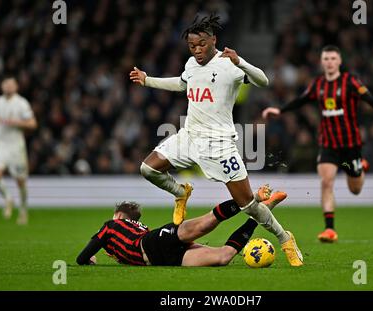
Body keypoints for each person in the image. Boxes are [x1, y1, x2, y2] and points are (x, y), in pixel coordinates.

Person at [129, 14, 303, 266]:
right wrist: (148, 80)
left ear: (214, 40)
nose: (196, 50)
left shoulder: (228, 65)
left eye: (201, 44)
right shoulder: (191, 64)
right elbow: (181, 84)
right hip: (189, 136)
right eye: (192, 46)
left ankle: (284, 237)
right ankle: (180, 192)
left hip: (220, 144)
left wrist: (240, 61)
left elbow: (263, 81)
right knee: (147, 168)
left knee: (249, 206)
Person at [262, 45, 373, 243]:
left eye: (333, 58)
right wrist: (280, 111)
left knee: (355, 189)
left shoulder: (350, 81)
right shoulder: (318, 84)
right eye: (326, 58)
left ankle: (360, 168)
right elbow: (301, 100)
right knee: (326, 182)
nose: (329, 62)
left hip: (351, 144)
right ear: (322, 62)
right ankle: (329, 229)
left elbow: (369, 98)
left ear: (339, 61)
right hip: (328, 143)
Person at [77, 187, 287, 267]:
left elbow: (82, 256)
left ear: (118, 216)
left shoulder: (111, 226)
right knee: (223, 258)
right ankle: (259, 213)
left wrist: (88, 259)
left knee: (205, 224)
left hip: (154, 243)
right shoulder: (135, 229)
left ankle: (253, 198)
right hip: (162, 257)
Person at [0, 77, 38, 225]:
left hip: (16, 146)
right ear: (2, 86)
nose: (8, 86)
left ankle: (23, 210)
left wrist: (17, 122)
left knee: (20, 181)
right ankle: (8, 198)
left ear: (16, 87)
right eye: (6, 84)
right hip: (0, 144)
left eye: (11, 84)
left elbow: (33, 123)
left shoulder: (21, 103)